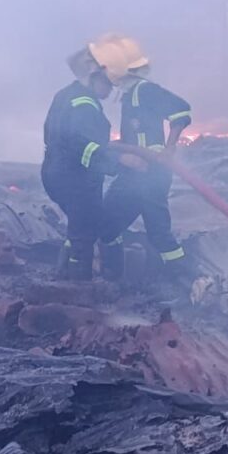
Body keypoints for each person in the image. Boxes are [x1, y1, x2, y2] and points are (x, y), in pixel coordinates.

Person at [41, 42, 147, 280]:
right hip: (75, 179)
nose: (110, 90)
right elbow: (84, 146)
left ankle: (63, 273)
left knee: (79, 226)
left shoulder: (69, 94)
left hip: (57, 173)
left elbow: (71, 139)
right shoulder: (85, 106)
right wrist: (121, 159)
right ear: (94, 76)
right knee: (84, 233)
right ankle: (79, 284)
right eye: (108, 83)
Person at [93, 34, 192, 282]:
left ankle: (185, 281)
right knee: (107, 224)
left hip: (151, 172)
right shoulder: (130, 96)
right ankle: (114, 277)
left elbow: (181, 110)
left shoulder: (146, 90)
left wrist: (169, 148)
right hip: (133, 174)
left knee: (159, 232)